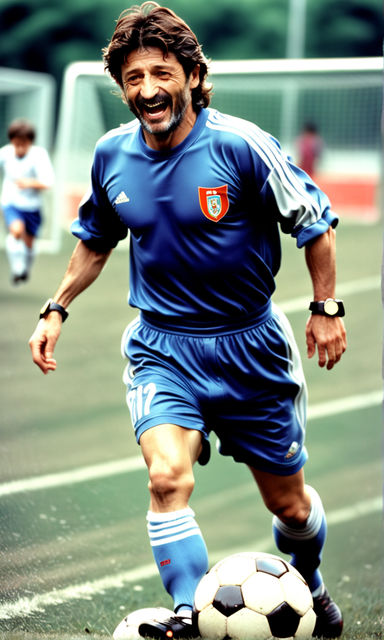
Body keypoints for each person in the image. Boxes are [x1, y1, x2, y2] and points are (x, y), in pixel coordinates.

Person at [29, 3, 347, 638]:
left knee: (288, 504)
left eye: (161, 72)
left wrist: (325, 308)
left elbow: (314, 221)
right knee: (166, 476)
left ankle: (308, 581)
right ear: (120, 86)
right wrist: (56, 307)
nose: (147, 89)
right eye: (133, 77)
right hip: (162, 348)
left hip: (252, 348)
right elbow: (96, 238)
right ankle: (185, 613)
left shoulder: (242, 145)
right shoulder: (112, 154)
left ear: (193, 75)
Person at [0, 118, 54, 284]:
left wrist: (29, 183)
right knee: (16, 231)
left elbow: (48, 182)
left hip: (32, 206)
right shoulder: (5, 153)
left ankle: (25, 269)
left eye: (24, 144)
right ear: (12, 141)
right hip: (11, 202)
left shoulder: (39, 155)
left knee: (29, 244)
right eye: (17, 144)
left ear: (30, 142)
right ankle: (17, 269)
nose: (20, 148)